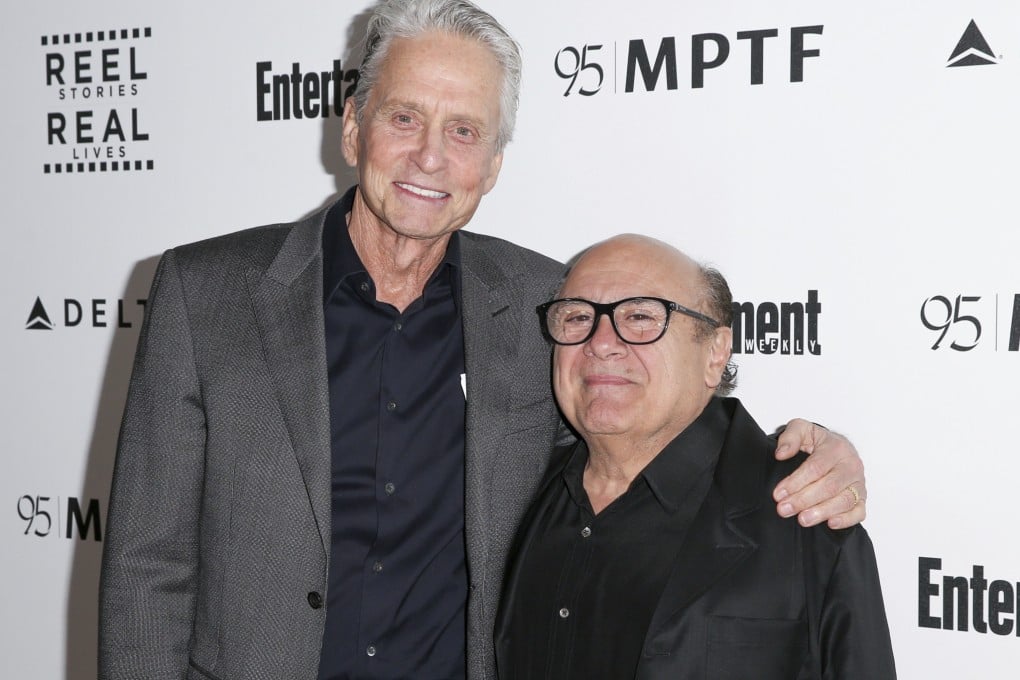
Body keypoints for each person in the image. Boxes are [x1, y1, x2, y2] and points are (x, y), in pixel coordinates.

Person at [98, 2, 869, 679]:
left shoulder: (547, 303)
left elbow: (645, 430)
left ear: (494, 164)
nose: (431, 156)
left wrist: (807, 455)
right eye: (404, 118)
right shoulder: (206, 294)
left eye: (464, 131)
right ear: (354, 127)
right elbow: (145, 565)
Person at [495, 234, 896, 679]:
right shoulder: (513, 490)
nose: (601, 342)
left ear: (715, 352)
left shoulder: (807, 511)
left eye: (641, 316)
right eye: (577, 317)